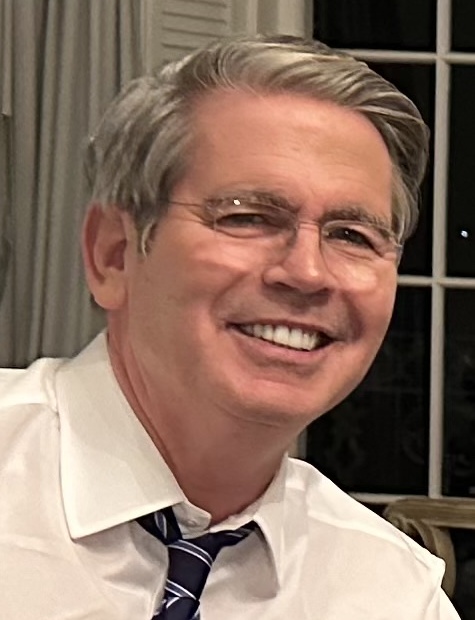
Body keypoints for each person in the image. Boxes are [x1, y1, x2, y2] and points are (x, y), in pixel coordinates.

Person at [0, 35, 460, 619]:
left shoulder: (393, 595)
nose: (307, 272)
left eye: (352, 236)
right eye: (248, 218)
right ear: (113, 254)